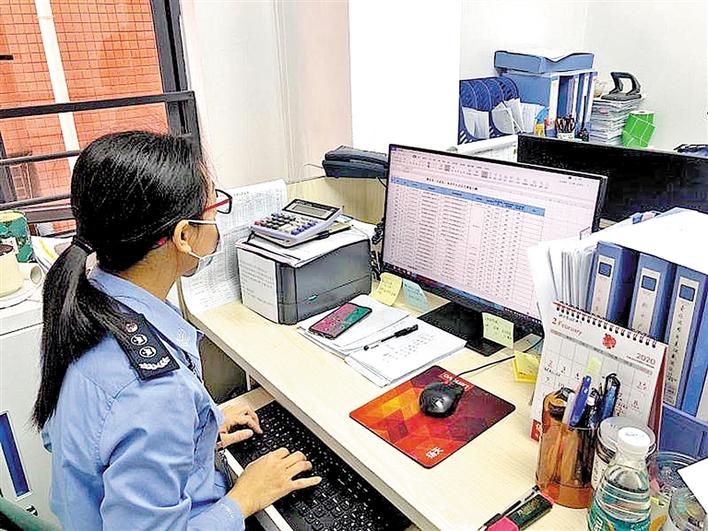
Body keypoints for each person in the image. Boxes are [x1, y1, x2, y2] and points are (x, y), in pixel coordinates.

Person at [34, 131, 321, 530]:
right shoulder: (153, 392)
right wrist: (245, 498)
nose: (217, 220)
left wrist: (198, 429)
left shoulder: (85, 307)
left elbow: (80, 440)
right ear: (184, 235)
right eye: (214, 206)